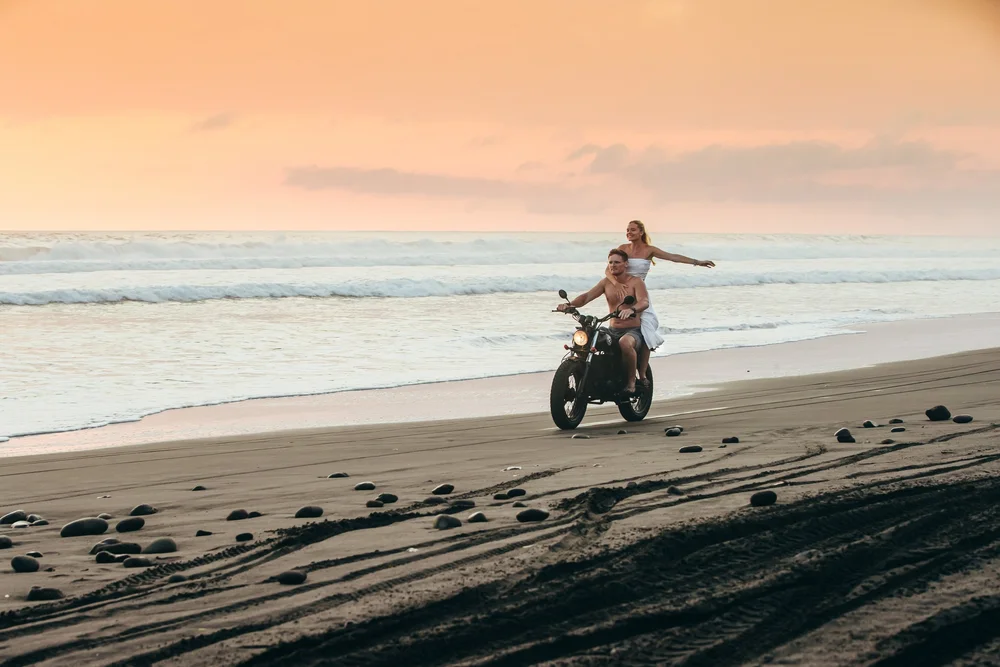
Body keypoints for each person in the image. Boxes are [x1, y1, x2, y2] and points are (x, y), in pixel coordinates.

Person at [605, 219, 715, 386]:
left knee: (647, 329)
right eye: (627, 230)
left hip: (639, 293)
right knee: (616, 325)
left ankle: (642, 374)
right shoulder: (622, 248)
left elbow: (673, 257)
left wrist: (697, 262)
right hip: (622, 294)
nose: (629, 233)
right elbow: (608, 270)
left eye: (633, 230)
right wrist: (616, 284)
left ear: (641, 232)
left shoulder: (649, 250)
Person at [557, 249, 649, 395]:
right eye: (610, 262)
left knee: (625, 343)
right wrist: (570, 305)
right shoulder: (606, 283)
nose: (613, 265)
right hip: (612, 329)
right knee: (589, 336)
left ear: (626, 264)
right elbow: (587, 297)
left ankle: (631, 382)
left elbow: (644, 301)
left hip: (632, 331)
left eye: (617, 262)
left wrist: (631, 309)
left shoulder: (636, 282)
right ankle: (589, 376)